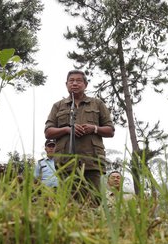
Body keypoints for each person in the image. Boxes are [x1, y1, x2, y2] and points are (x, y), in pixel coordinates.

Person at [44, 70, 115, 205]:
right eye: (71, 81)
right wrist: (67, 129)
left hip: (92, 161)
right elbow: (48, 132)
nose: (75, 83)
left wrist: (93, 128)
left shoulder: (97, 104)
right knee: (67, 202)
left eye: (78, 81)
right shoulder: (58, 106)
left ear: (85, 84)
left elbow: (110, 130)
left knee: (93, 201)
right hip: (66, 162)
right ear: (66, 84)